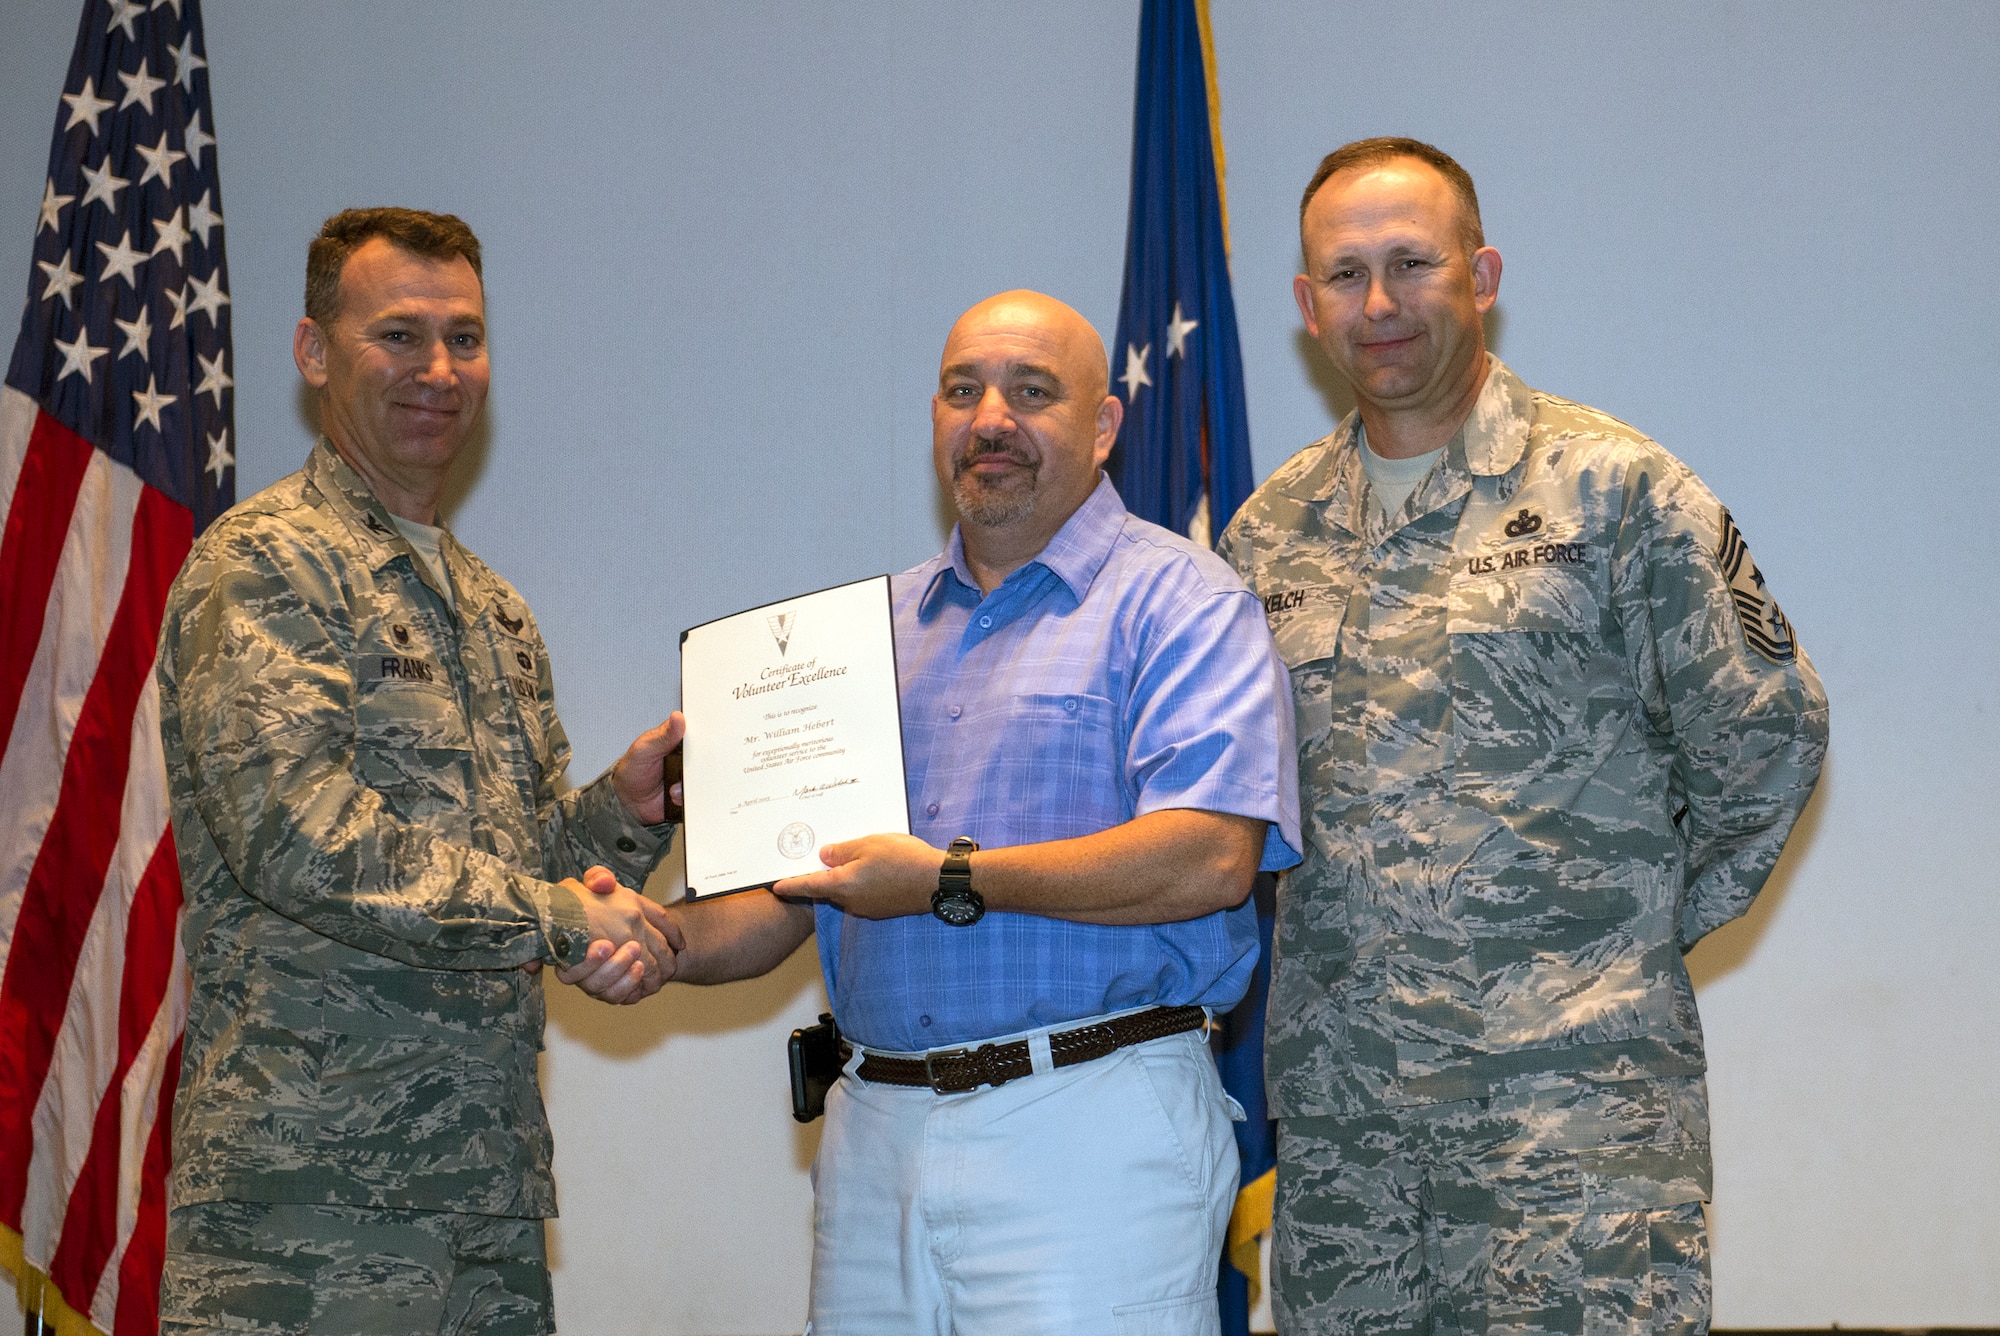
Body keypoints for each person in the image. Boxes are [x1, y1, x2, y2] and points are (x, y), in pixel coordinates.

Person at [1218, 138, 1830, 1334]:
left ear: (1481, 274)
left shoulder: (1614, 490)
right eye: (1343, 275)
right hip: (1351, 1145)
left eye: (1412, 263)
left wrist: (1608, 952)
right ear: (1304, 306)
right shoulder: (1262, 537)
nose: (1378, 304)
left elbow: (1768, 737)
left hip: (1574, 1127)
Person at [650, 291, 1302, 1334]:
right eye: (964, 390)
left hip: (1088, 1129)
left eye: (1030, 391)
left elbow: (1209, 858)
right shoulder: (862, 638)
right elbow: (794, 893)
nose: (989, 417)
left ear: (1101, 426)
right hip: (871, 1133)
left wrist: (950, 878)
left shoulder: (1182, 602)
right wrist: (659, 941)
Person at [156, 207, 685, 1336]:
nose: (438, 370)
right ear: (314, 352)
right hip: (306, 1207)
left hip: (482, 1201)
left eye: (465, 337)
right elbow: (300, 831)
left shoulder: (493, 609)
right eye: (399, 334)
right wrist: (555, 913)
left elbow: (510, 864)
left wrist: (619, 816)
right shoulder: (265, 562)